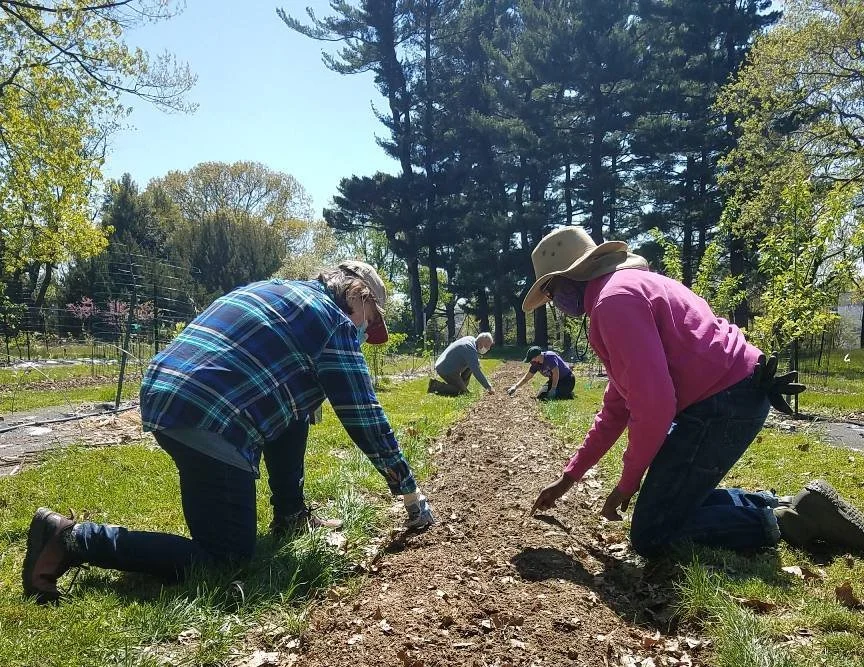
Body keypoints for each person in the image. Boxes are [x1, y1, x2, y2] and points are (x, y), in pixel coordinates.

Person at [22, 261, 435, 604]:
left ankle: (290, 516)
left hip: (167, 391)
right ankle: (71, 538)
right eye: (371, 320)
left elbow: (294, 412)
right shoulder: (333, 322)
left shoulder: (274, 290)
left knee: (298, 409)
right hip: (209, 414)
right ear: (359, 296)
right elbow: (364, 416)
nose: (365, 332)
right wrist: (409, 490)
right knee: (225, 557)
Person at [527, 226, 864, 557]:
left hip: (724, 403)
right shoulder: (623, 290)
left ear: (570, 277)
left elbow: (654, 406)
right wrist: (568, 480)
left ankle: (788, 520)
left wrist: (628, 482)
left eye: (552, 293)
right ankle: (782, 503)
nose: (555, 303)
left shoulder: (613, 303)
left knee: (652, 531)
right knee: (667, 505)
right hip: (736, 392)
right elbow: (616, 408)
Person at [428, 332, 495, 396]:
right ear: (481, 343)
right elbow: (476, 371)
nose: (488, 349)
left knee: (473, 364)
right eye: (487, 346)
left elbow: (474, 363)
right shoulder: (470, 349)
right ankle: (435, 385)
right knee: (461, 392)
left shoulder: (471, 339)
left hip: (445, 364)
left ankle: (462, 385)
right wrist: (488, 387)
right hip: (446, 369)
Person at [507, 346, 575, 400]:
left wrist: (553, 388)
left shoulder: (550, 357)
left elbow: (556, 373)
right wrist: (515, 387)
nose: (531, 361)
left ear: (537, 356)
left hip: (567, 379)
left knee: (552, 396)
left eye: (531, 359)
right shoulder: (535, 363)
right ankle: (563, 391)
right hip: (554, 380)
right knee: (542, 396)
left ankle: (567, 393)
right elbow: (527, 377)